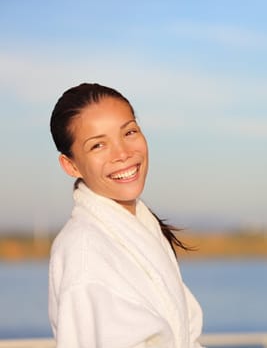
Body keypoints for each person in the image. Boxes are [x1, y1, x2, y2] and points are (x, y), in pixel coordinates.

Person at [48, 83, 204, 348]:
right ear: (71, 164)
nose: (123, 154)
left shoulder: (141, 227)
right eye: (98, 145)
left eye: (129, 132)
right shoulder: (84, 252)